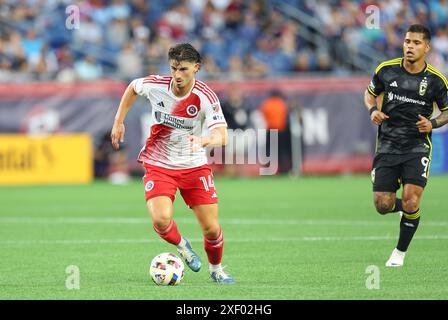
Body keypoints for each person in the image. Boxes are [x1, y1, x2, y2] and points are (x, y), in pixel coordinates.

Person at [110, 43, 235, 283]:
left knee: (210, 228)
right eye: (174, 68)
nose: (177, 75)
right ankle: (183, 246)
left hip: (194, 166)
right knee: (161, 219)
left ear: (197, 68)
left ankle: (216, 270)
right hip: (159, 163)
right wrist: (119, 121)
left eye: (184, 69)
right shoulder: (156, 85)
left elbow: (222, 136)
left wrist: (205, 139)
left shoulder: (205, 96)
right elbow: (132, 88)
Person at [364, 24, 448, 267]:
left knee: (412, 199)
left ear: (427, 47)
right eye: (407, 41)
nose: (410, 46)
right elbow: (369, 94)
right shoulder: (385, 70)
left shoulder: (436, 81)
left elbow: (446, 111)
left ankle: (399, 253)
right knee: (382, 204)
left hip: (417, 146)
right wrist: (372, 110)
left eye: (416, 43)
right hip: (388, 145)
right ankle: (405, 209)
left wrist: (432, 123)